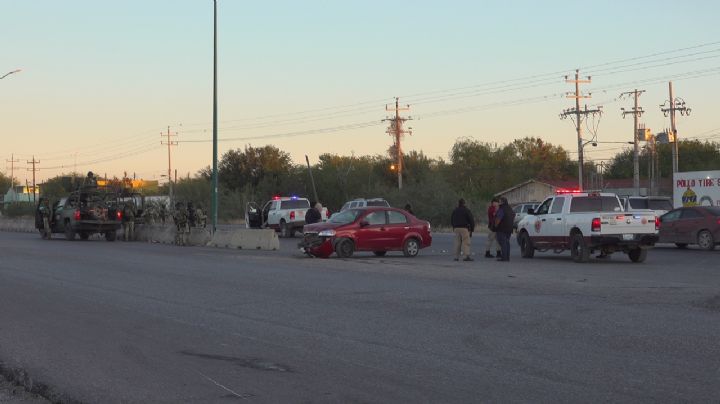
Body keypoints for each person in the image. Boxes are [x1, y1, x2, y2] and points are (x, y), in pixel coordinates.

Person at [494, 197, 516, 262]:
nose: (499, 202)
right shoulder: (510, 208)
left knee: (502, 242)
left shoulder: (501, 209)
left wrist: (496, 225)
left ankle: (504, 257)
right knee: (507, 242)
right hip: (509, 228)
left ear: (502, 202)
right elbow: (513, 215)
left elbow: (499, 218)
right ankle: (507, 257)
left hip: (502, 228)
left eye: (499, 201)